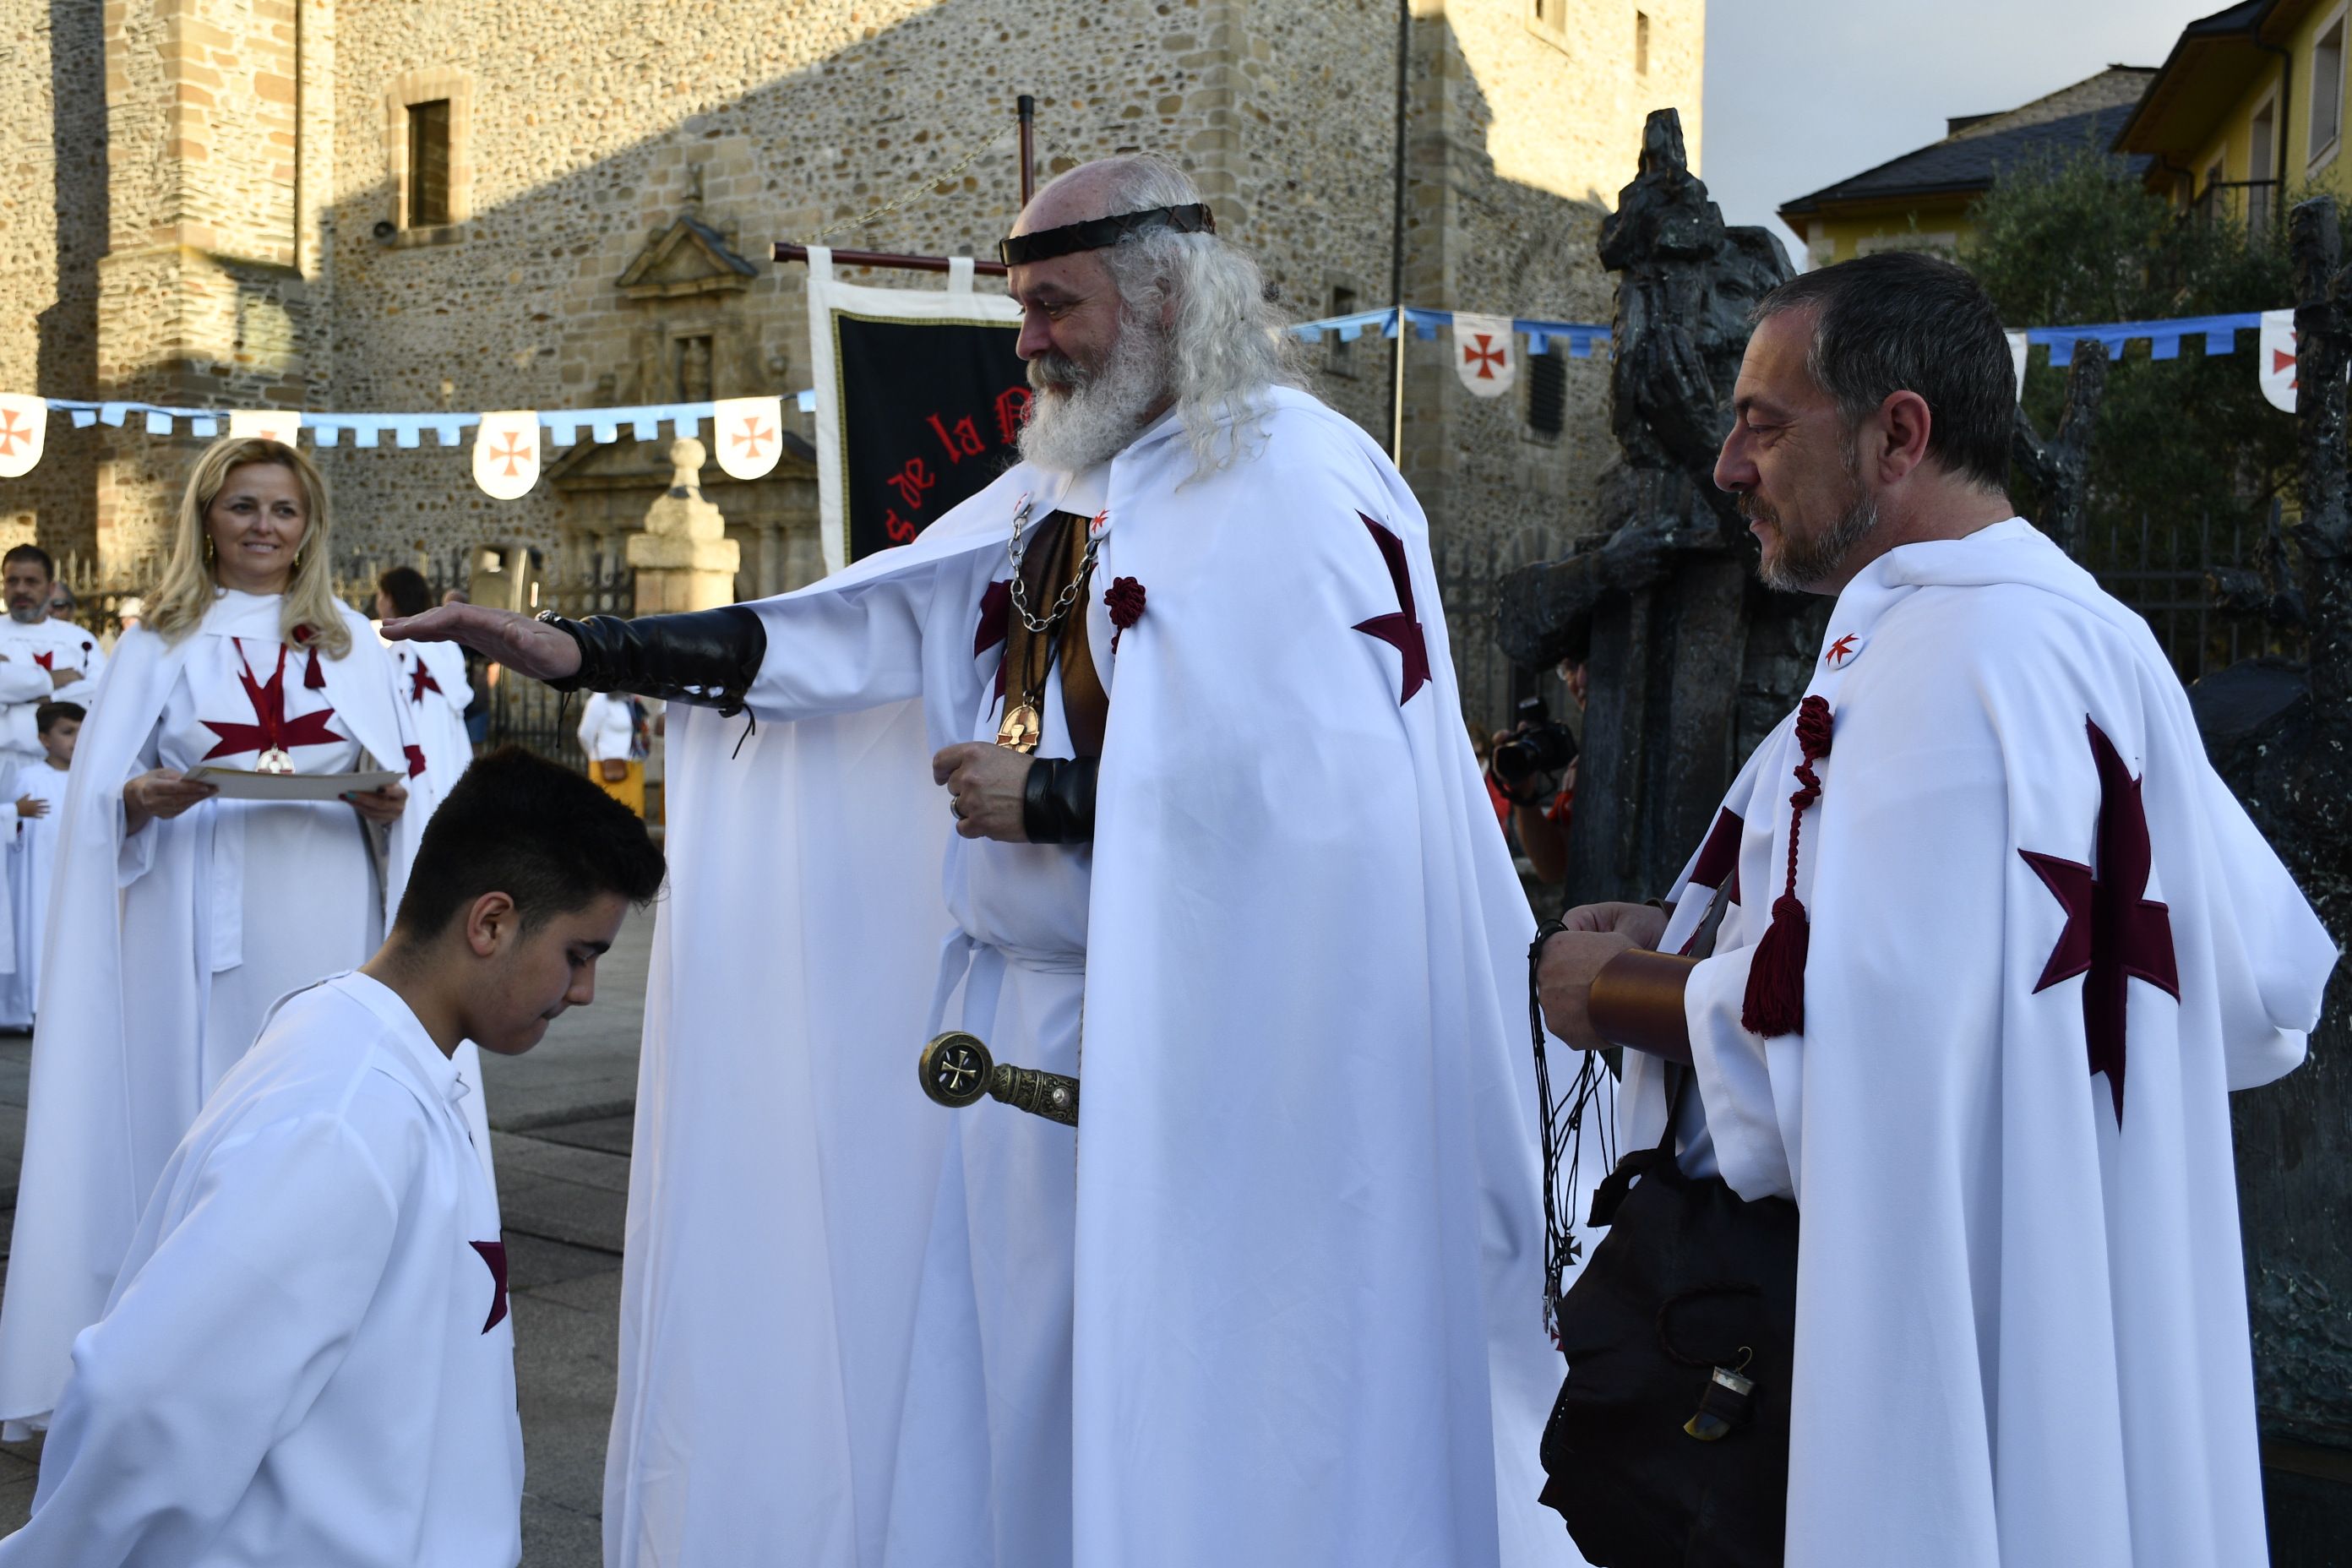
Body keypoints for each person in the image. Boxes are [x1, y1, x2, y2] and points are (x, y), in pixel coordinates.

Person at [391, 154, 1573, 1567]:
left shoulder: (1303, 486)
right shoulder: (1060, 497)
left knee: (1187, 1419)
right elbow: (856, 626)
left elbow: (1329, 793)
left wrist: (1059, 799)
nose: (1024, 343)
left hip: (1216, 1068)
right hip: (1019, 1047)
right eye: (1019, 306)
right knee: (1018, 1417)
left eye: (1051, 305)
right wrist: (586, 649)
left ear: (1163, 295)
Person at [1535, 252, 2336, 1565]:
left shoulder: (1954, 661)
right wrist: (1696, 935)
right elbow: (2250, 981)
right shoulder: (2077, 632)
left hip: (1936, 1304)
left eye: (1765, 423)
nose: (1731, 467)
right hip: (2058, 1262)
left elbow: (1877, 1023)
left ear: (1897, 434)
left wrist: (1616, 995)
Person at [0, 747, 666, 1568]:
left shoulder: (383, 1063)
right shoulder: (345, 1111)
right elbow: (146, 1400)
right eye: (579, 952)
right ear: (491, 921)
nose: (584, 991)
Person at [0, 435, 460, 1440]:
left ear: (309, 527)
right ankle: (176, 1361)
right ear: (206, 517)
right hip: (189, 912)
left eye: (282, 509)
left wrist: (388, 805)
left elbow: (397, 783)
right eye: (242, 505)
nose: (263, 525)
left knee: (311, 1110)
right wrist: (136, 796)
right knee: (195, 1110)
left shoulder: (346, 638)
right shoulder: (157, 641)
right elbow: (98, 800)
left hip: (321, 896)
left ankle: (311, 1347)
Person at [0, 701, 77, 1029]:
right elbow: (12, 834)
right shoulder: (29, 776)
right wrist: (17, 814)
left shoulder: (93, 776)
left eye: (83, 732)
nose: (76, 739)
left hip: (78, 878)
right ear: (45, 739)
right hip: (36, 879)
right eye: (67, 732)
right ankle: (30, 1010)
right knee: (38, 936)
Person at [0, 545, 104, 773]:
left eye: (31, 581)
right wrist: (51, 680)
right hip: (5, 763)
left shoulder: (78, 639)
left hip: (68, 767)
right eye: (12, 581)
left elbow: (97, 694)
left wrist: (22, 692)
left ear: (51, 587)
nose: (20, 589)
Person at [376, 565, 475, 803]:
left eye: (380, 595)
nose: (378, 602)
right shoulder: (447, 646)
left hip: (414, 759)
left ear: (391, 599)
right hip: (450, 748)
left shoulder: (401, 652)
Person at [1490, 656, 1587, 885]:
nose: (1580, 680)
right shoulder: (1579, 768)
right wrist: (1523, 794)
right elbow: (1553, 868)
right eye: (1571, 667)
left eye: (1594, 663)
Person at [574, 688, 648, 816]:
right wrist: (595, 756)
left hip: (634, 765)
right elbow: (584, 735)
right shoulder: (599, 700)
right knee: (608, 816)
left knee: (635, 815)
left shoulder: (632, 699)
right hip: (606, 767)